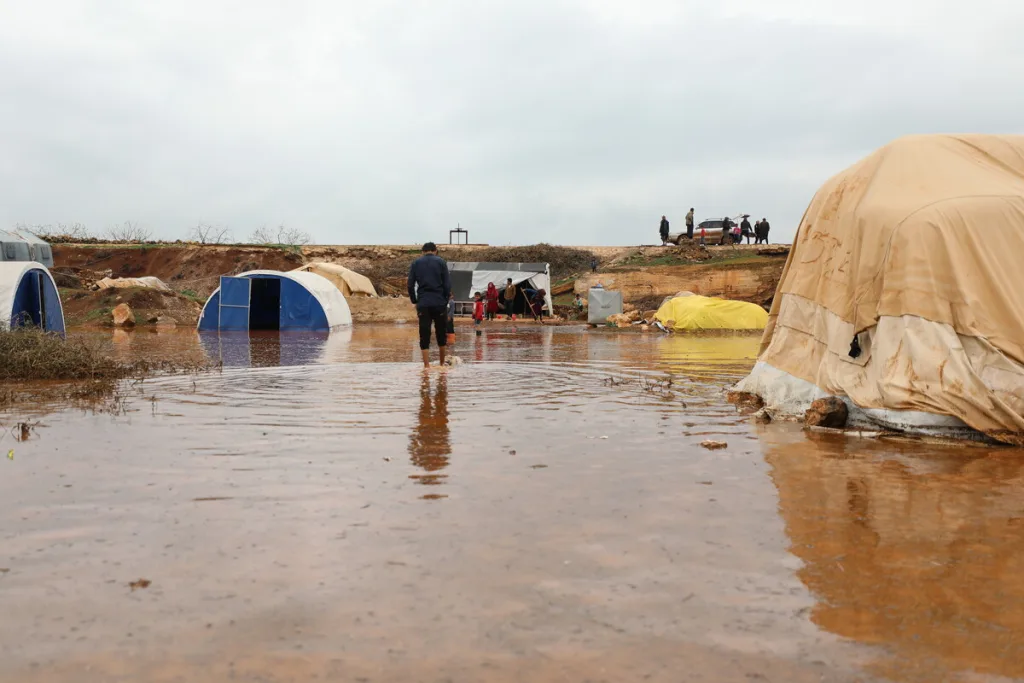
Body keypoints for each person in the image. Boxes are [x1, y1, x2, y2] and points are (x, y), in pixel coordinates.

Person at [407, 241, 452, 368]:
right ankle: (442, 364)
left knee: (424, 333)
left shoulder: (416, 263)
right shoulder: (441, 262)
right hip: (439, 302)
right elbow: (447, 284)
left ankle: (426, 367)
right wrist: (445, 299)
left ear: (422, 252)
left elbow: (410, 285)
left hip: (423, 302)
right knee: (441, 333)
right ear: (435, 251)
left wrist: (414, 301)